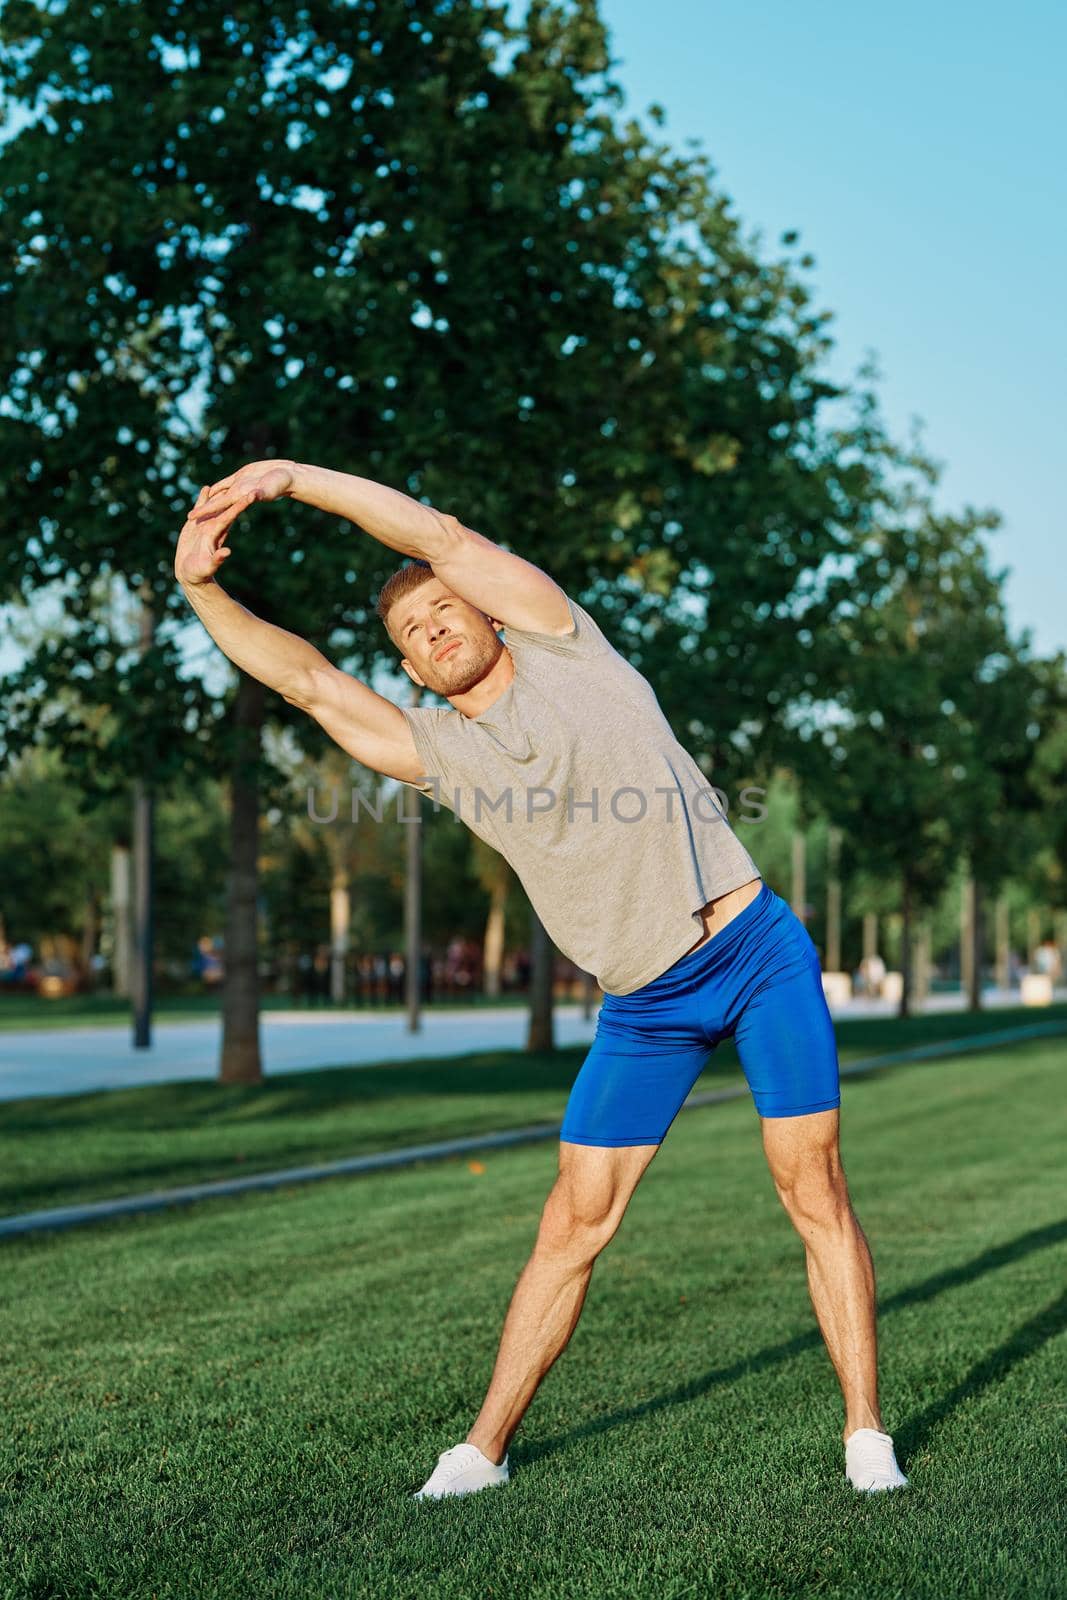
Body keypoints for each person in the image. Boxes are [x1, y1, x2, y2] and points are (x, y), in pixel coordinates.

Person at [174, 460, 908, 1500]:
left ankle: (863, 1435)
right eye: (409, 637)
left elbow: (435, 532)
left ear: (480, 604)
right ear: (415, 675)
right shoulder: (436, 750)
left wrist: (293, 480)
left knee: (812, 1188)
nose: (430, 630)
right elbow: (305, 681)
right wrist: (201, 588)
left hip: (754, 955)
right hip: (644, 1010)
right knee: (573, 1220)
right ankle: (479, 1451)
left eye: (439, 608)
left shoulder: (561, 638)